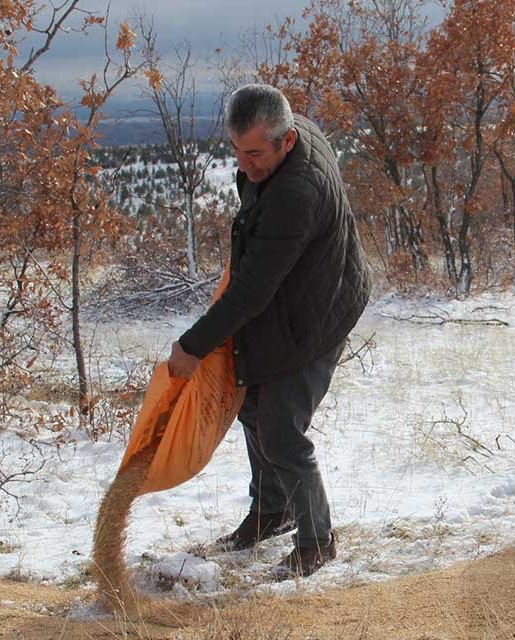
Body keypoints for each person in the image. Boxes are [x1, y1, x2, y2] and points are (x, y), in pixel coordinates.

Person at [166, 84, 371, 577]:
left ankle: (317, 543)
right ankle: (272, 511)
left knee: (280, 431)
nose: (243, 164)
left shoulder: (295, 196)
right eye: (236, 150)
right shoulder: (281, 142)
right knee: (251, 404)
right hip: (293, 293)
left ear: (287, 140)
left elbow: (251, 291)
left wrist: (193, 346)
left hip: (319, 312)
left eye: (254, 153)